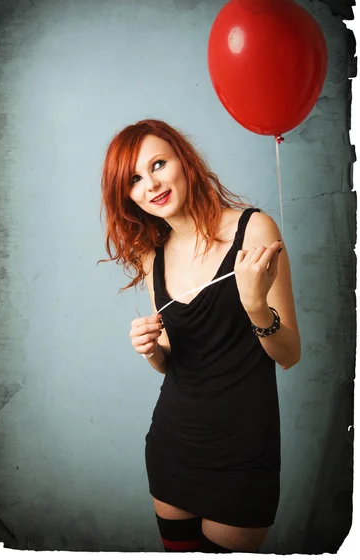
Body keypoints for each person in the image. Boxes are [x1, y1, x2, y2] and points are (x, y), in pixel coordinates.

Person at [100, 119, 301, 553]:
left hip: (243, 452)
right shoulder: (151, 256)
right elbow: (177, 360)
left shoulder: (254, 229)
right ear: (127, 196)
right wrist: (153, 351)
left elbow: (289, 355)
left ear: (183, 160)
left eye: (158, 164)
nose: (151, 184)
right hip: (173, 445)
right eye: (134, 179)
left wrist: (254, 305)